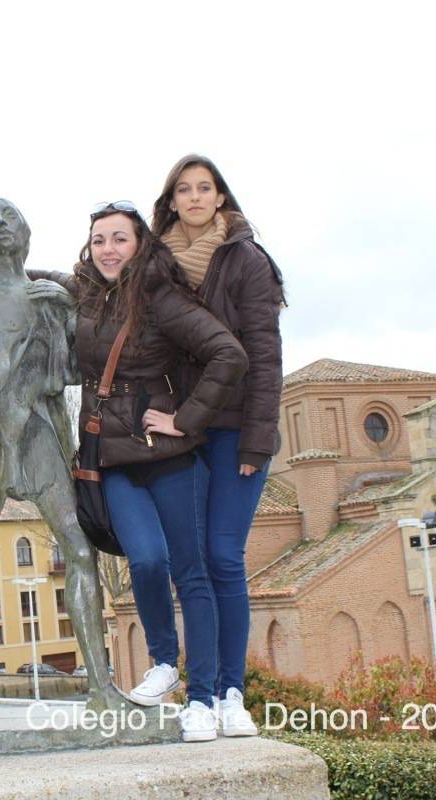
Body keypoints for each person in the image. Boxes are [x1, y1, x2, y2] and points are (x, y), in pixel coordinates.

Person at [28, 203, 247, 742]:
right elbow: (53, 280)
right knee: (146, 560)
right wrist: (8, 273)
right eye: (99, 239)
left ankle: (203, 698)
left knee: (191, 572)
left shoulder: (163, 299)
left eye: (119, 239)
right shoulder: (86, 292)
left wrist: (185, 418)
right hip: (113, 459)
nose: (108, 249)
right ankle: (164, 663)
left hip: (171, 457)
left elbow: (228, 354)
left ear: (139, 244)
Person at [0, 198, 126, 724]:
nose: (1, 225)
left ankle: (101, 688)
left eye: (10, 217)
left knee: (79, 550)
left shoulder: (47, 298)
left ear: (27, 231)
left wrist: (68, 308)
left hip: (38, 435)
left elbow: (77, 370)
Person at [152, 156, 285, 737]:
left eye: (205, 187)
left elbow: (264, 356)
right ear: (172, 200)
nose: (195, 197)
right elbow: (97, 283)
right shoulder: (156, 263)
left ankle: (232, 692)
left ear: (221, 196)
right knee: (193, 566)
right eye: (184, 189)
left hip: (234, 432)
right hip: (184, 432)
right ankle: (198, 697)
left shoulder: (247, 260)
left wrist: (258, 438)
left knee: (225, 557)